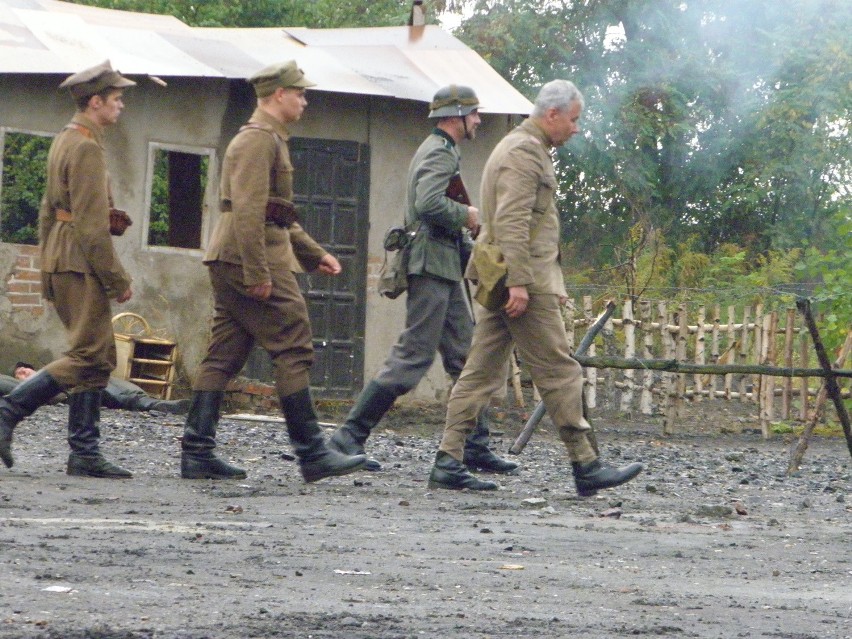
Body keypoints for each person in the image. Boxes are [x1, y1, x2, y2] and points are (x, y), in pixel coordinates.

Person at [428, 80, 644, 494]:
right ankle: (586, 465)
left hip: (509, 277)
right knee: (561, 371)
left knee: (478, 374)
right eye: (574, 119)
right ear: (553, 115)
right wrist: (523, 285)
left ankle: (448, 459)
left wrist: (547, 281)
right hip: (518, 281)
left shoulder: (522, 147)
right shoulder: (524, 152)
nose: (577, 128)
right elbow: (513, 222)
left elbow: (535, 227)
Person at [180, 60, 365, 482]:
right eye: (299, 92)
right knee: (295, 345)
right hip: (249, 255)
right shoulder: (258, 141)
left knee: (224, 354)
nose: (305, 99)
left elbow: (275, 213)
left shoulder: (270, 139)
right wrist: (257, 272)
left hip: (239, 255)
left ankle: (196, 452)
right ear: (278, 94)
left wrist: (314, 253)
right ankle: (312, 453)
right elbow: (247, 213)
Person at [328, 85, 517, 480]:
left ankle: (473, 446)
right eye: (475, 114)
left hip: (443, 264)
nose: (479, 120)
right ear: (456, 116)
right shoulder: (436, 152)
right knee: (414, 354)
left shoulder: (444, 151)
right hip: (430, 263)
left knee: (465, 355)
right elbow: (429, 204)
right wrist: (467, 213)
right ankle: (348, 437)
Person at [0, 61, 136, 478]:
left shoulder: (67, 138)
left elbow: (47, 212)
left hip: (63, 257)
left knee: (97, 358)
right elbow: (93, 228)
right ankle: (9, 410)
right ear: (95, 102)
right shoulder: (86, 147)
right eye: (116, 100)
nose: (121, 107)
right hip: (80, 260)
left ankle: (84, 451)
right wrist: (118, 279)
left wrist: (46, 268)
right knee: (89, 354)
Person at [0, 363, 189, 415]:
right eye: (19, 374)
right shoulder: (23, 388)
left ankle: (156, 403)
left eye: (26, 369)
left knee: (104, 378)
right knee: (102, 388)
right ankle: (153, 405)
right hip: (71, 392)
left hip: (77, 381)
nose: (24, 373)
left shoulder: (52, 369)